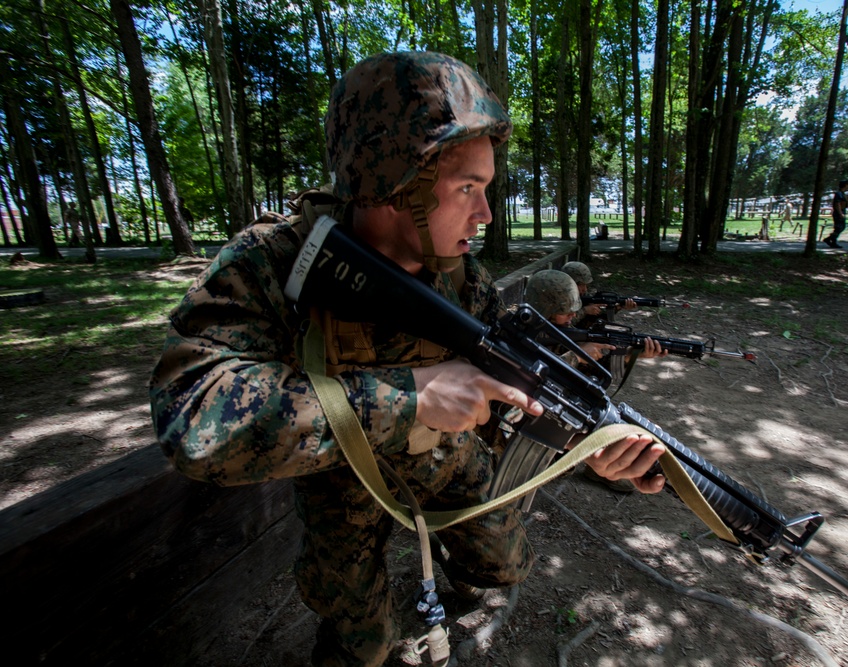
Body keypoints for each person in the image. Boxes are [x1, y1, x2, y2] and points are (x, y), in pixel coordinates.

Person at [149, 51, 666, 667]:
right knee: (360, 644)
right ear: (395, 182)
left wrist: (589, 452)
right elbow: (194, 420)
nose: (486, 214)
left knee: (506, 566)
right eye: (467, 189)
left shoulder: (460, 273)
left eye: (487, 188)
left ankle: (451, 557)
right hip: (342, 478)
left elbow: (506, 385)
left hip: (445, 463)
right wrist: (411, 397)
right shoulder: (270, 262)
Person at [523, 269, 667, 494]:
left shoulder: (560, 330)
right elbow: (532, 375)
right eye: (565, 311)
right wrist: (577, 355)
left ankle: (589, 464)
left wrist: (632, 354)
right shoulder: (524, 335)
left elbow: (591, 367)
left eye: (574, 310)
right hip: (532, 422)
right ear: (546, 309)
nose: (573, 315)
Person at [824, 180, 848, 248]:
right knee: (839, 227)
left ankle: (830, 239)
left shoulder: (842, 193)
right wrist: (840, 213)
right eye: (847, 185)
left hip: (842, 211)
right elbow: (837, 204)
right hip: (838, 213)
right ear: (845, 185)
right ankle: (832, 240)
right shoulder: (839, 194)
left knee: (841, 227)